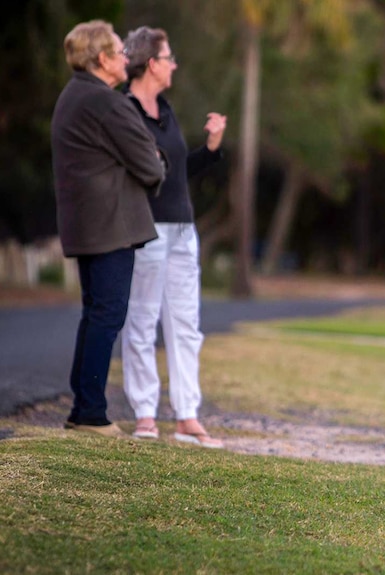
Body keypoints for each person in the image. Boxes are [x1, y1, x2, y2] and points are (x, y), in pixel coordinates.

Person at [51, 20, 165, 438]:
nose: (125, 57)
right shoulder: (108, 103)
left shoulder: (72, 97)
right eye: (119, 51)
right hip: (111, 225)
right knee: (108, 313)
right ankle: (90, 414)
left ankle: (84, 406)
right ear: (102, 59)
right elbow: (151, 166)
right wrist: (155, 158)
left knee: (95, 312)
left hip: (85, 224)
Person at [120, 26, 227, 448]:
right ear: (151, 64)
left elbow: (177, 172)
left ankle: (187, 417)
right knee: (142, 320)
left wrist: (212, 148)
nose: (175, 65)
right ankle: (145, 414)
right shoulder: (125, 111)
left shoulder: (166, 109)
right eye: (169, 58)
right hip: (147, 228)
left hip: (184, 229)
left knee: (186, 326)